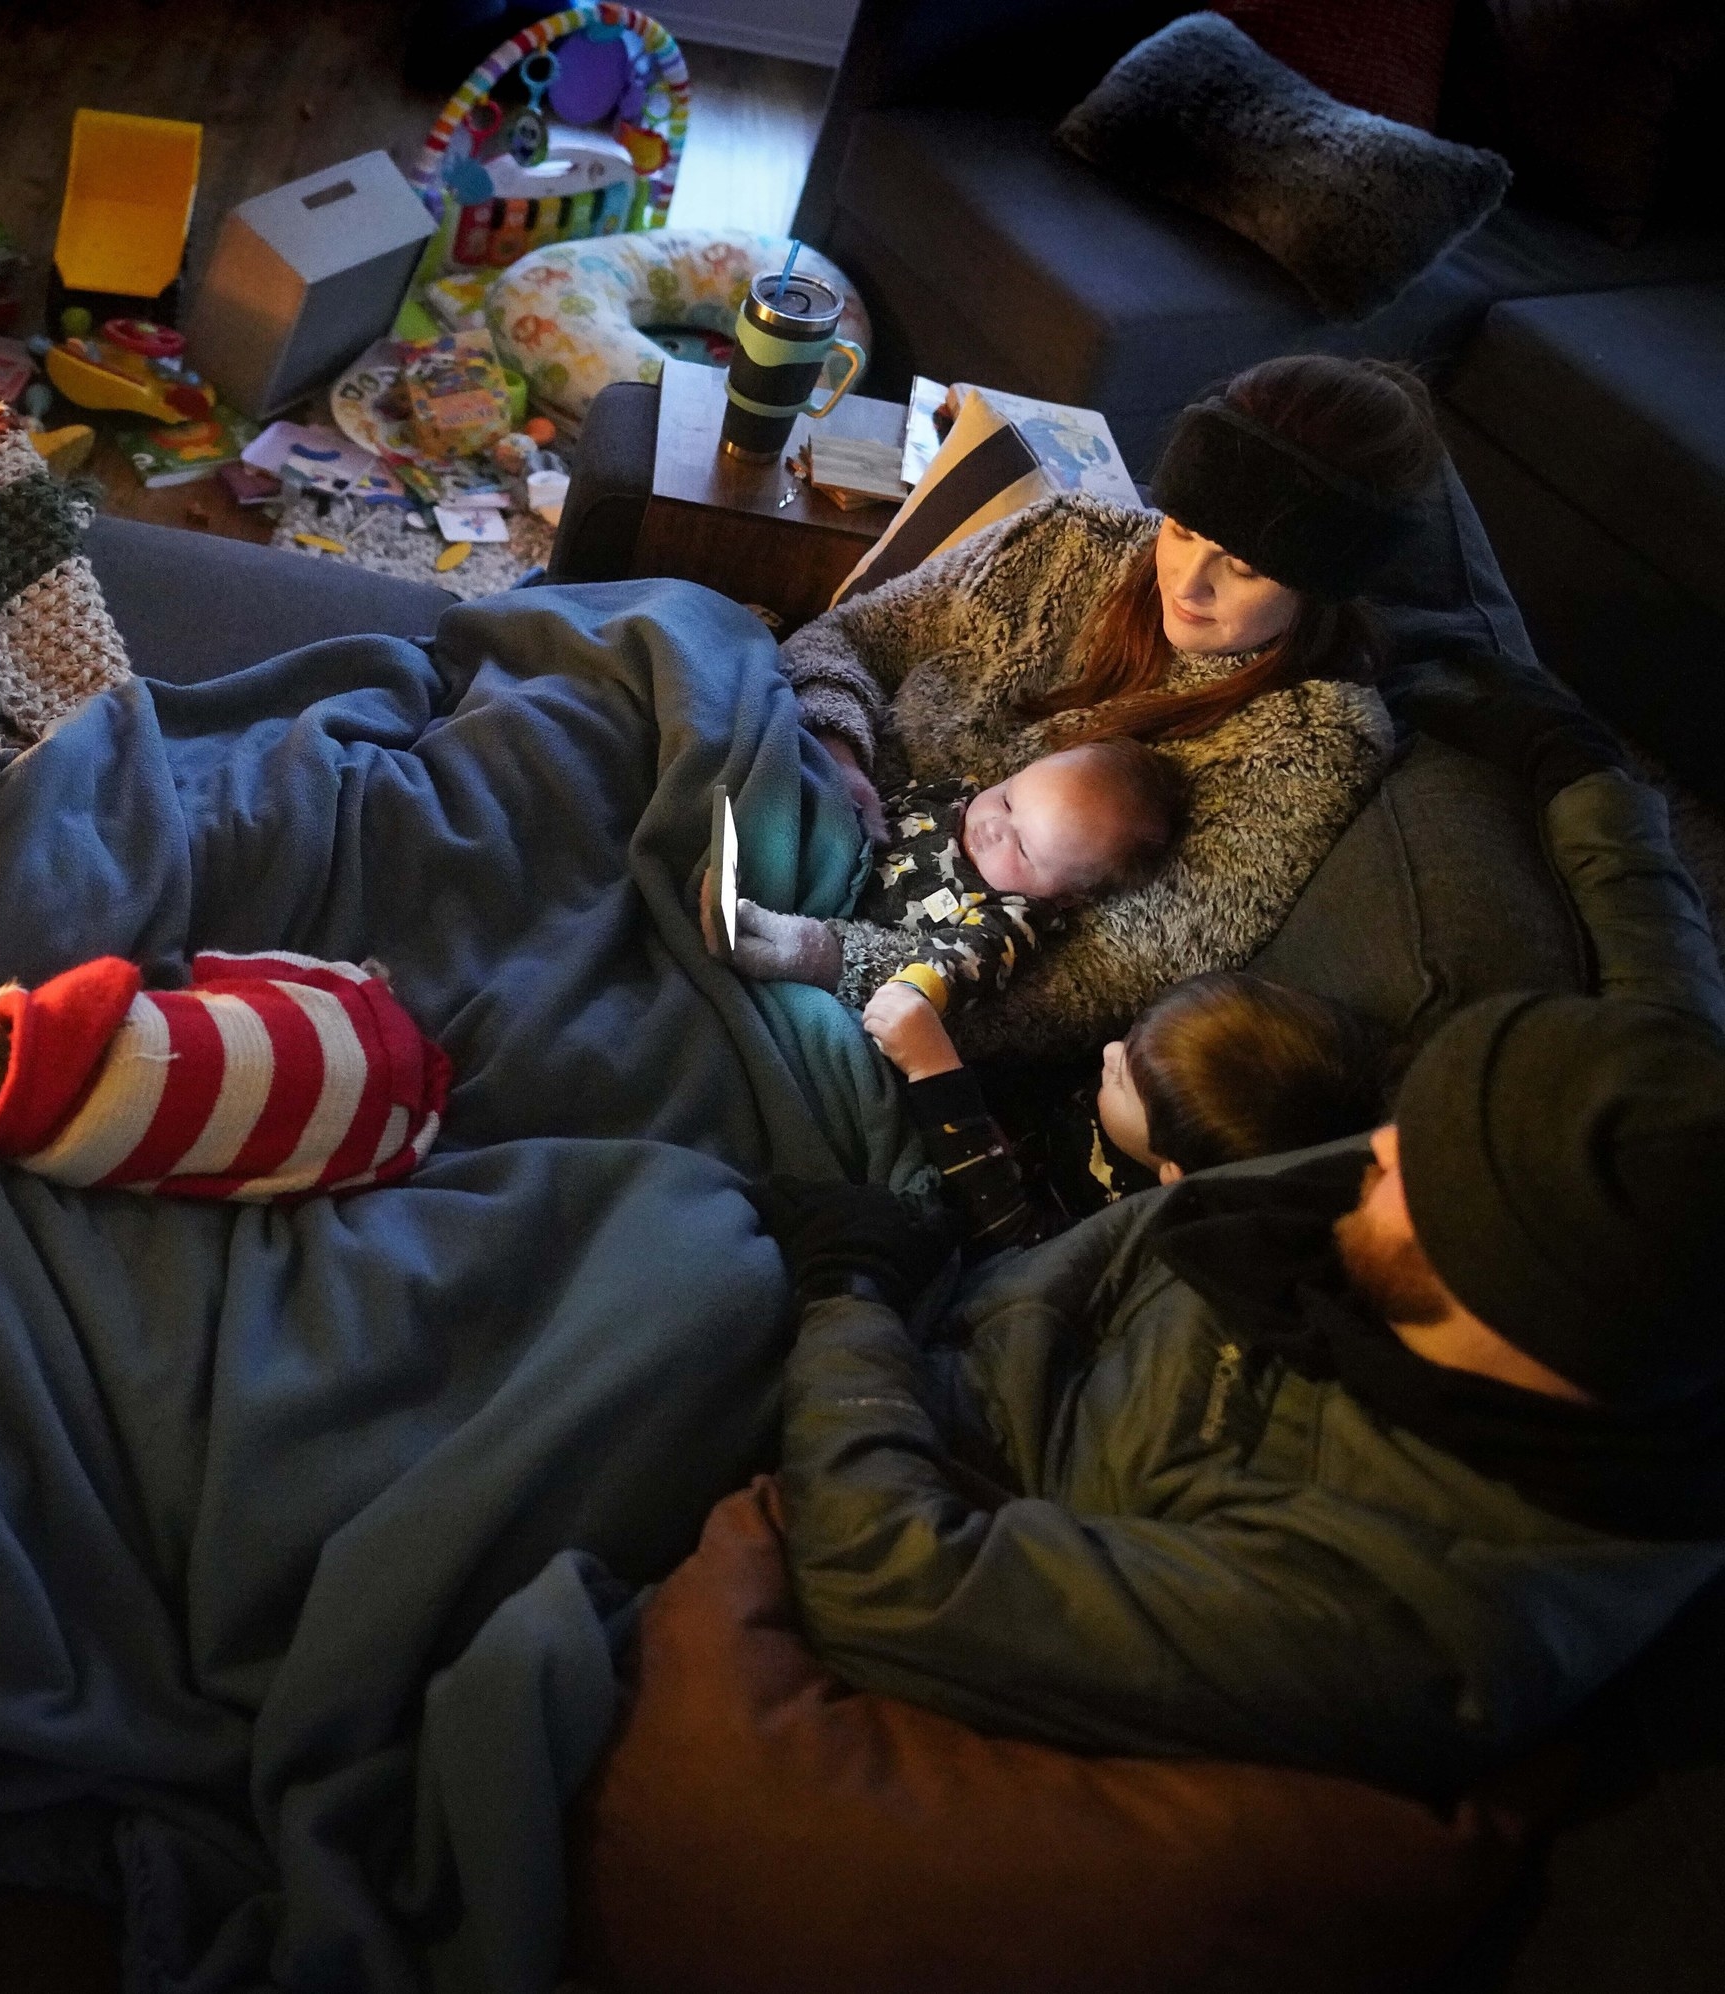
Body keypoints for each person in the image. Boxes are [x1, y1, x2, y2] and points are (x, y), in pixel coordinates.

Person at [759, 986, 1725, 1793]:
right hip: (935, 1285)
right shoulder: (1530, 1213)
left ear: (1516, 1299)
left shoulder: (1398, 1617)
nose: (1378, 1150)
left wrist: (853, 1291)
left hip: (876, 1437)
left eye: (1417, 1172)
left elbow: (887, 1580)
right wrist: (1581, 778)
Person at [774, 354, 1447, 1058]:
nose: (1188, 582)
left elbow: (1095, 983)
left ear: (1321, 588)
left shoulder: (1308, 748)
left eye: (1245, 567)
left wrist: (822, 956)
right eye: (1183, 528)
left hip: (886, 992)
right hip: (798, 790)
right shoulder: (1070, 538)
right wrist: (837, 756)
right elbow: (846, 636)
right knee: (672, 630)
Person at [867, 967, 1387, 1255]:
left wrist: (937, 1071)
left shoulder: (1123, 1220)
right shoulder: (1156, 1085)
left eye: (1121, 1080)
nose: (1108, 1053)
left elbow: (1013, 1239)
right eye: (1130, 1036)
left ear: (1173, 1175)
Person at [714, 736, 1189, 1019]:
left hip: (823, 927)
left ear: (1065, 897)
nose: (991, 826)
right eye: (1006, 798)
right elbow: (873, 795)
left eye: (1023, 847)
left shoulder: (1009, 918)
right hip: (810, 851)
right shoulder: (959, 796)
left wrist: (820, 953)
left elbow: (943, 975)